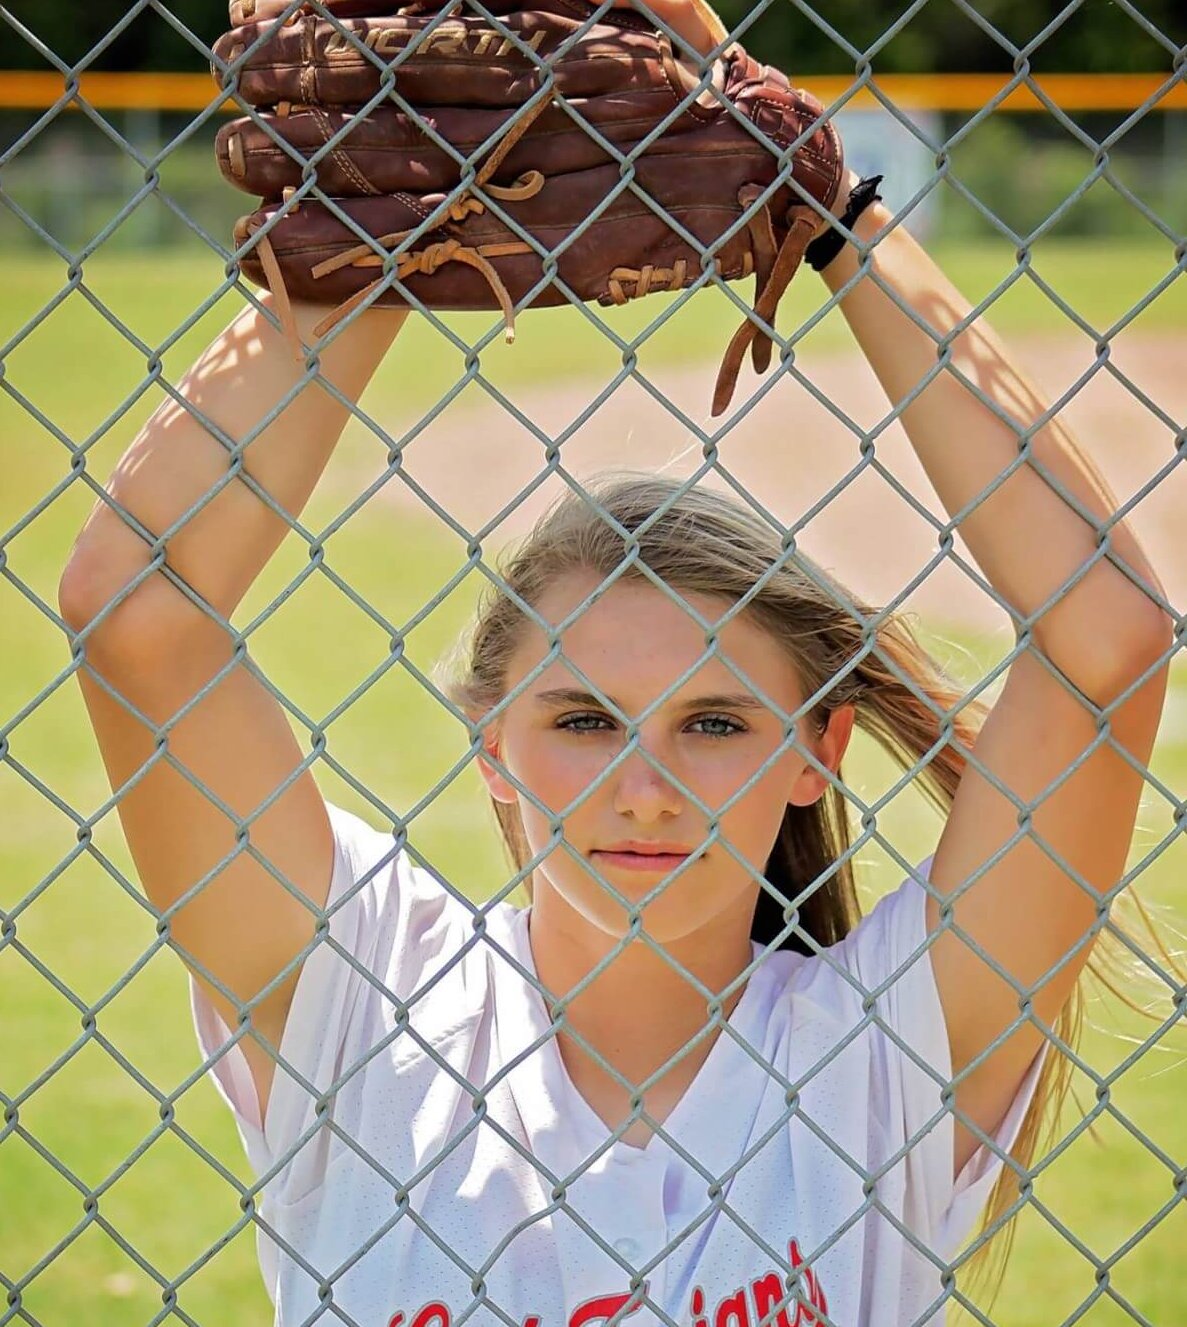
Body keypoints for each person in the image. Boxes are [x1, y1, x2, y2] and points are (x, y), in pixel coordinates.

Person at [58, 1, 1175, 1323]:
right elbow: (138, 617)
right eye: (584, 721)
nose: (645, 786)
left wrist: (829, 214)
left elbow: (1106, 642)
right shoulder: (369, 1005)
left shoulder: (883, 1056)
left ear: (819, 751)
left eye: (713, 723)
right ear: (492, 748)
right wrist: (382, 234)